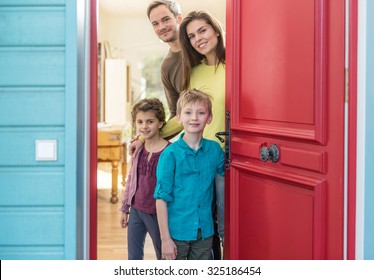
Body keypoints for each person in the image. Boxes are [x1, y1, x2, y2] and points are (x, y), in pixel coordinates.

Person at [154, 89, 224, 260]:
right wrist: (165, 240)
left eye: (201, 113)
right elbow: (161, 199)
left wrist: (224, 231)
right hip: (176, 233)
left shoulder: (215, 150)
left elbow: (224, 188)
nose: (194, 118)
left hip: (205, 232)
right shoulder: (170, 155)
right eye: (188, 112)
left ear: (209, 118)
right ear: (178, 118)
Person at [179, 10, 226, 255]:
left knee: (224, 225)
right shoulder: (194, 72)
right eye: (192, 36)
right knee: (201, 224)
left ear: (215, 30)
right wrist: (146, 136)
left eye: (202, 30)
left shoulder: (235, 66)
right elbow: (184, 115)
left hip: (226, 157)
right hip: (195, 157)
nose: (198, 38)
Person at [119, 98, 169, 260]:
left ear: (160, 123)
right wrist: (125, 208)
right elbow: (131, 179)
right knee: (133, 258)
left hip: (158, 213)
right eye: (139, 122)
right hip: (136, 211)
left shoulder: (169, 151)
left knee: (163, 255)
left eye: (150, 121)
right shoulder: (137, 149)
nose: (144, 126)